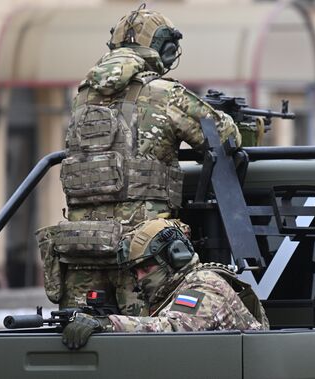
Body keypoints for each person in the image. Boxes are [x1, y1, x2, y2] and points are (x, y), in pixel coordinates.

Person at [38, 4, 241, 316]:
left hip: (82, 248)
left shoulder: (82, 97)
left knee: (79, 334)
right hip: (143, 254)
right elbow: (225, 138)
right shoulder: (165, 93)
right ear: (164, 49)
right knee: (147, 344)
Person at [61, 219, 269, 350]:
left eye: (146, 268)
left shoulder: (204, 285)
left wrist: (107, 323)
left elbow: (173, 330)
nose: (140, 277)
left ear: (175, 257)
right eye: (135, 271)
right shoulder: (170, 292)